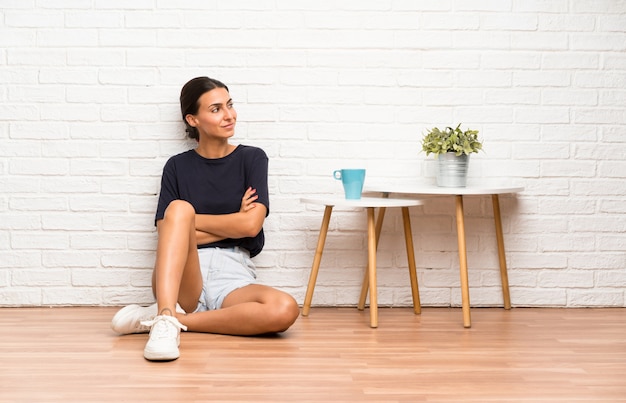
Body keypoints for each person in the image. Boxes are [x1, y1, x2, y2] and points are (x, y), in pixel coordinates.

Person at [111, 76, 300, 361]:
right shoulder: (177, 166)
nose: (229, 115)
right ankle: (167, 313)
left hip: (232, 274)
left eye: (230, 105)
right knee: (179, 210)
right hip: (183, 272)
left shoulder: (252, 159)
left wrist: (188, 228)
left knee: (285, 308)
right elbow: (168, 234)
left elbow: (251, 226)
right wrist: (232, 220)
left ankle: (165, 318)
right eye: (216, 109)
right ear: (193, 119)